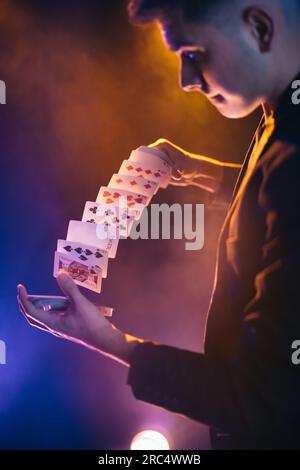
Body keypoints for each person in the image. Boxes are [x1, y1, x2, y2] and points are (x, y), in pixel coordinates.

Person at [18, 0, 300, 449]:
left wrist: (115, 344)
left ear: (261, 28)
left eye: (193, 54)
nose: (186, 82)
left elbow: (264, 396)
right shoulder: (280, 117)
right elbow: (271, 190)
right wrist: (200, 169)